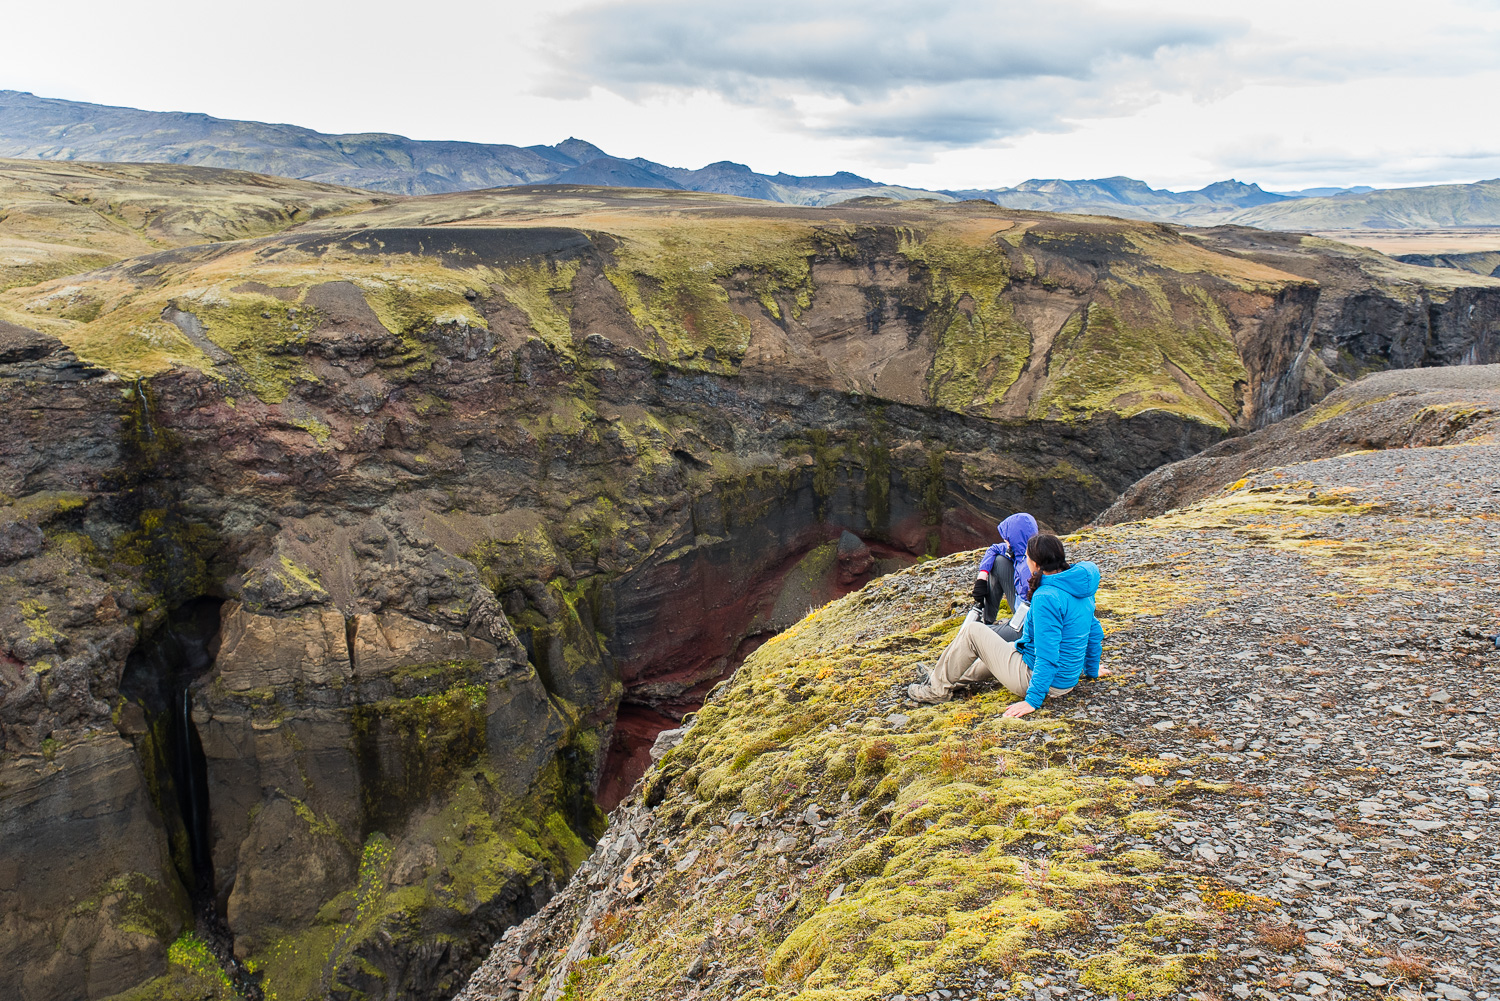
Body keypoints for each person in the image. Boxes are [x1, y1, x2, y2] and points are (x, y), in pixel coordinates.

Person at [909, 533, 1107, 713]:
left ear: (1036, 564)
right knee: (1003, 647)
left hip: (1041, 680)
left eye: (1027, 557)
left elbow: (1049, 654)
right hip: (1064, 678)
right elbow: (1094, 633)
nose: (1026, 561)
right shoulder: (1079, 588)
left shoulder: (1047, 597)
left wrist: (1032, 701)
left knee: (972, 632)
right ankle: (940, 678)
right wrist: (1091, 670)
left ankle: (936, 690)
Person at [971, 513, 1037, 630]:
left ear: (1015, 538)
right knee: (999, 561)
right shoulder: (1020, 553)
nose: (1006, 542)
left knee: (974, 633)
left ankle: (986, 628)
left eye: (1007, 539)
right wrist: (982, 575)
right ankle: (987, 621)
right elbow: (994, 549)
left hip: (1027, 623)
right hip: (1021, 605)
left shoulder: (1030, 565)